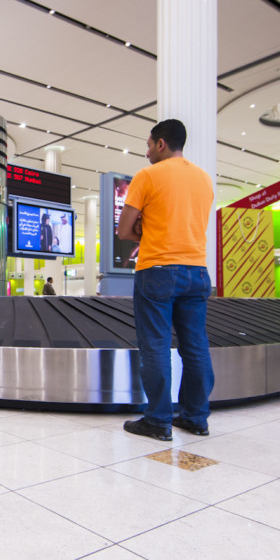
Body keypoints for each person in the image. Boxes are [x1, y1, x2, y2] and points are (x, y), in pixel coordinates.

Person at [115, 119, 215, 441]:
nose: (146, 153)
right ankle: (197, 417)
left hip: (158, 270)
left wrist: (147, 229)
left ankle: (158, 421)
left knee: (155, 347)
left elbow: (123, 230)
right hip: (197, 271)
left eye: (148, 145)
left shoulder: (148, 176)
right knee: (196, 347)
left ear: (161, 143)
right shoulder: (203, 178)